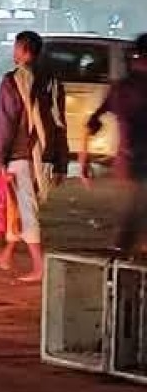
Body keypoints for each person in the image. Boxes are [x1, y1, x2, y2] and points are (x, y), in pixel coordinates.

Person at [0, 31, 69, 282]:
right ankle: (7, 254)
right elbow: (59, 124)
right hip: (43, 156)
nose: (13, 53)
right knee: (18, 205)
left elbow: (5, 123)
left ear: (24, 50)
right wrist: (61, 164)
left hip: (21, 154)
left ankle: (39, 266)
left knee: (25, 209)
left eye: (16, 48)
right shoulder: (53, 82)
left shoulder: (13, 81)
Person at [82, 33, 147, 255]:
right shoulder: (124, 89)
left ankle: (120, 266)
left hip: (128, 165)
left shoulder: (121, 88)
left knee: (130, 221)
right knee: (132, 219)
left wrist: (83, 161)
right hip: (134, 165)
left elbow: (91, 124)